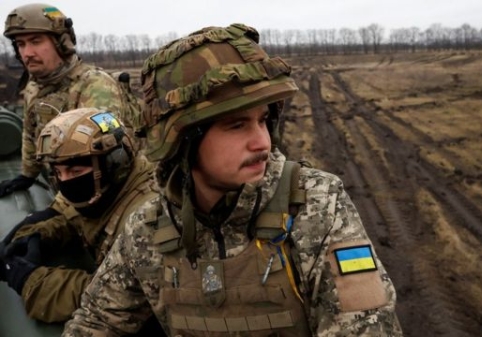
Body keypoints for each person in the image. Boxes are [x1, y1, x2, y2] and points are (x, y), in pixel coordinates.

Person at [63, 24, 403, 336]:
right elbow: (95, 321)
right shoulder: (148, 228)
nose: (263, 143)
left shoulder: (316, 205)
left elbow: (365, 326)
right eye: (236, 125)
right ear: (183, 139)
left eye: (263, 120)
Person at [0, 107, 157, 324]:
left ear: (115, 162)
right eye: (58, 173)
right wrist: (37, 234)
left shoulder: (150, 217)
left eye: (75, 172)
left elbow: (126, 298)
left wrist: (33, 281)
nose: (66, 181)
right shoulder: (105, 190)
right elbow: (77, 216)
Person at [0, 3, 140, 198]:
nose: (27, 53)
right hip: (65, 185)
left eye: (36, 41)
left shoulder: (95, 87)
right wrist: (27, 175)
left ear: (62, 42)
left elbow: (109, 167)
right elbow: (30, 132)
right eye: (20, 44)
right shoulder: (34, 87)